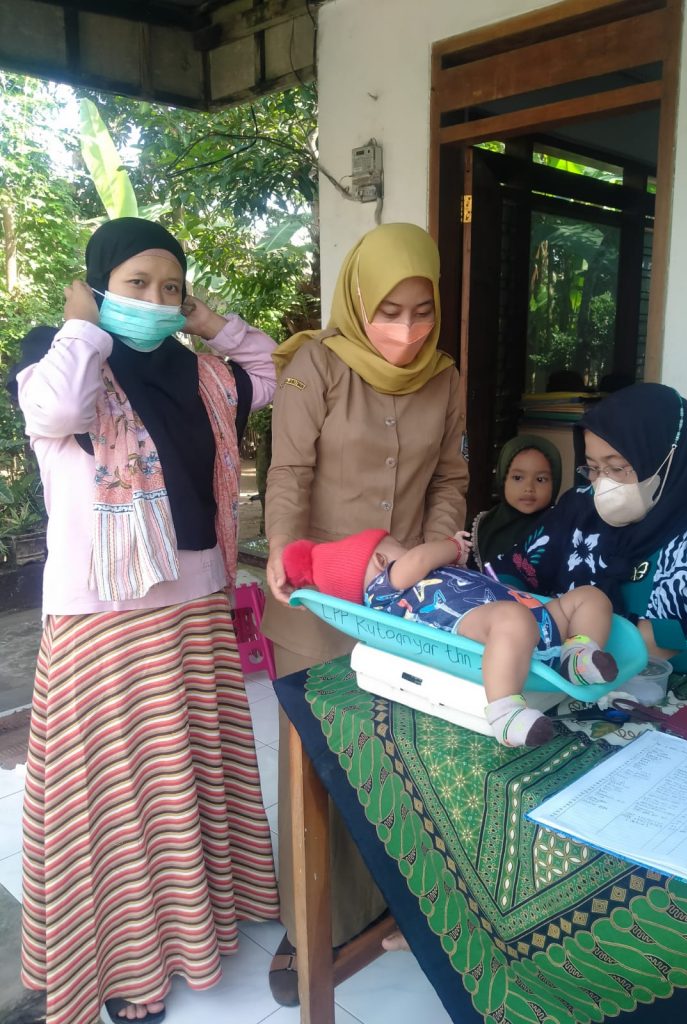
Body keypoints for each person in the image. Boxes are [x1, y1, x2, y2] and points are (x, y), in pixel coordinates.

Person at [9, 217, 280, 1024]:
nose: (156, 300)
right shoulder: (57, 359)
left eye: (171, 287)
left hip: (195, 605)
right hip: (104, 619)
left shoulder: (200, 374)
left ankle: (200, 928)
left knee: (187, 781)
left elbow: (266, 369)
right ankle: (125, 966)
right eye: (137, 284)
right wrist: (82, 326)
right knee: (117, 800)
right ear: (98, 287)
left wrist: (208, 321)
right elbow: (57, 411)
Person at [262, 222, 468, 1002]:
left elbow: (450, 478)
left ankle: (391, 905)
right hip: (317, 597)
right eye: (389, 312)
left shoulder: (445, 379)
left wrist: (434, 547)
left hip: (401, 601)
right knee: (316, 767)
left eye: (422, 311)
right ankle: (308, 927)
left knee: (395, 756)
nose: (407, 332)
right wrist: (283, 549)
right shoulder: (314, 365)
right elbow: (289, 472)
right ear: (358, 301)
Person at [494, 383, 687, 673]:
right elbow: (513, 571)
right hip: (558, 680)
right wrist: (504, 607)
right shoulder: (579, 508)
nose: (602, 483)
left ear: (666, 458)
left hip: (661, 689)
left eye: (616, 468)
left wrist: (633, 637)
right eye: (593, 468)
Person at [282, 528, 618, 747]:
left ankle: (577, 655)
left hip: (534, 617)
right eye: (400, 546)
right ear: (381, 560)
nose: (410, 551)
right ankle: (505, 713)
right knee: (513, 620)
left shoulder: (410, 576)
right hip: (488, 624)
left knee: (590, 598)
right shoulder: (385, 587)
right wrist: (453, 546)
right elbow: (419, 557)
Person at [469, 434, 561, 573]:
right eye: (518, 478)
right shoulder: (482, 527)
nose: (529, 488)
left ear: (555, 483)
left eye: (541, 479)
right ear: (502, 479)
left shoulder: (561, 528)